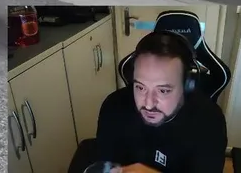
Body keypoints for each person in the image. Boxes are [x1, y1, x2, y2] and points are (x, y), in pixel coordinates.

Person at [94, 31, 227, 172]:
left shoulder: (209, 121)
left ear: (187, 85)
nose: (148, 104)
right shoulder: (114, 107)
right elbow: (106, 166)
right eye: (140, 87)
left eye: (163, 90)